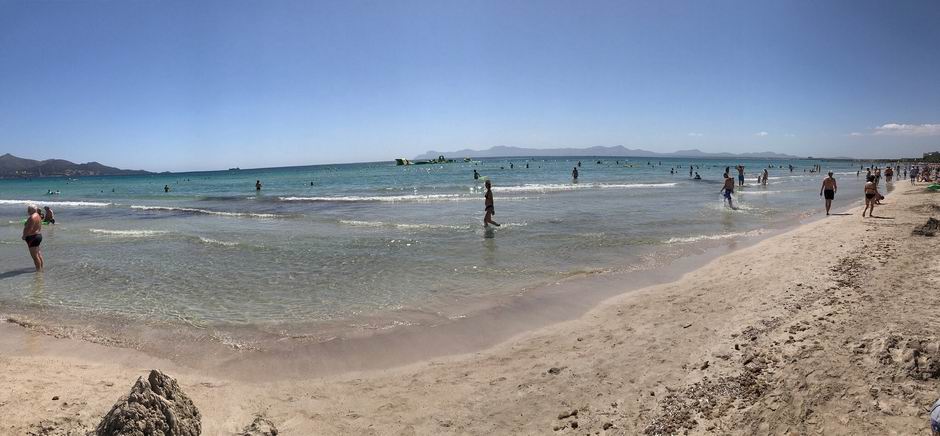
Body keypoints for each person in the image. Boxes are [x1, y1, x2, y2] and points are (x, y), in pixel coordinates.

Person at [22, 205, 44, 271]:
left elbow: (29, 229)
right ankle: (41, 268)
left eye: (28, 210)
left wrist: (24, 236)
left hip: (32, 237)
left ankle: (38, 271)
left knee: (35, 256)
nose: (27, 211)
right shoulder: (38, 216)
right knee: (38, 254)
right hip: (38, 235)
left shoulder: (32, 217)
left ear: (31, 210)